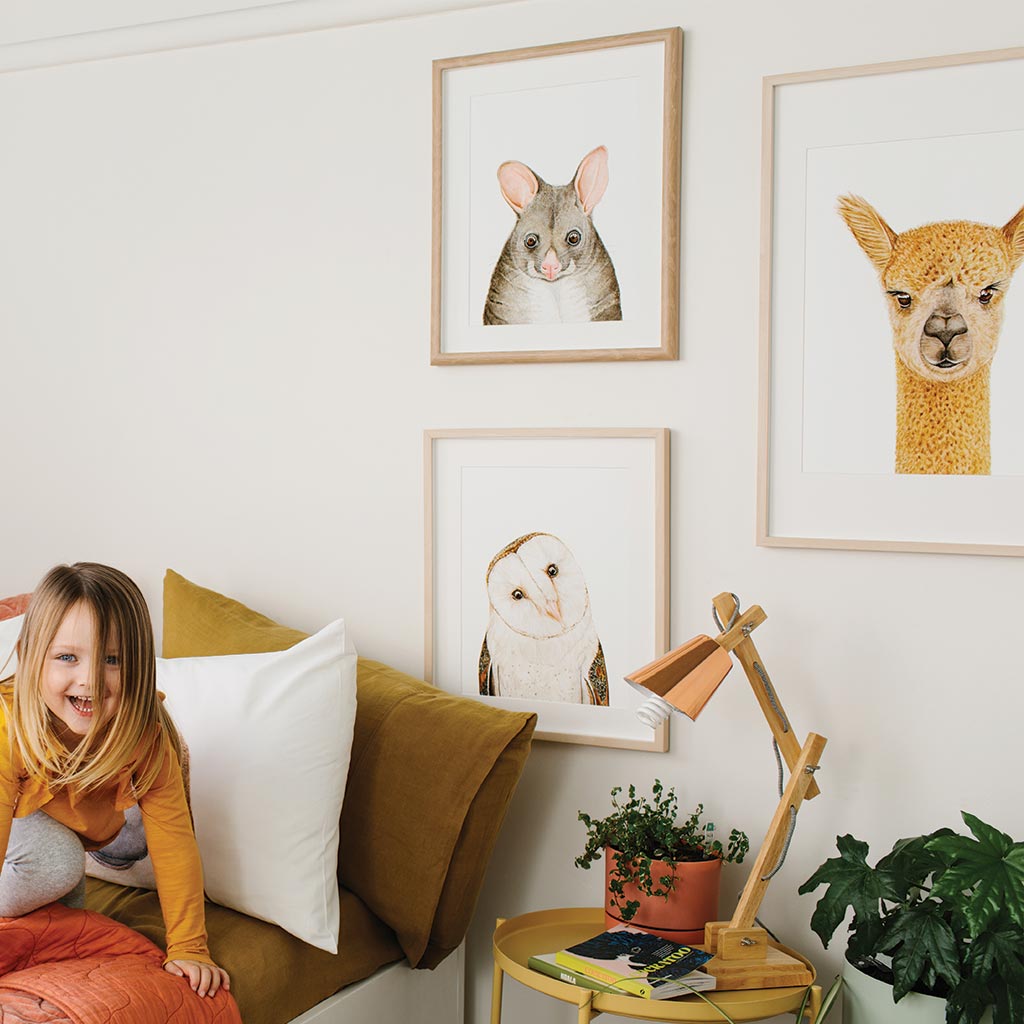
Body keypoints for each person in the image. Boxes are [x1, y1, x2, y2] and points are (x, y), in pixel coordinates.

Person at [0, 562, 230, 998]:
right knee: (59, 862)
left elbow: (174, 838)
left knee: (67, 923)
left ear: (139, 668)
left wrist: (189, 946)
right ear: (33, 658)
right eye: (67, 657)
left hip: (59, 819)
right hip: (13, 816)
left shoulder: (147, 736)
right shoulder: (9, 722)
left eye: (112, 660)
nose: (88, 680)